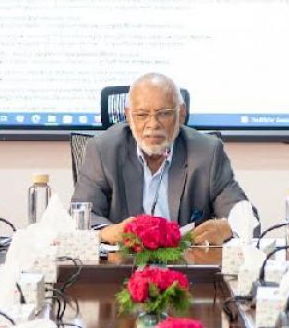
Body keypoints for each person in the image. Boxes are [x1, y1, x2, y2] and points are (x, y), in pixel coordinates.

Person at [73, 73, 248, 245]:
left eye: (163, 114)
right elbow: (80, 217)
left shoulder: (207, 152)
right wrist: (109, 232)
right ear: (128, 116)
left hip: (186, 260)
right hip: (123, 260)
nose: (153, 124)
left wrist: (227, 228)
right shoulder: (103, 150)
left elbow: (245, 217)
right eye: (142, 115)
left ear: (181, 114)